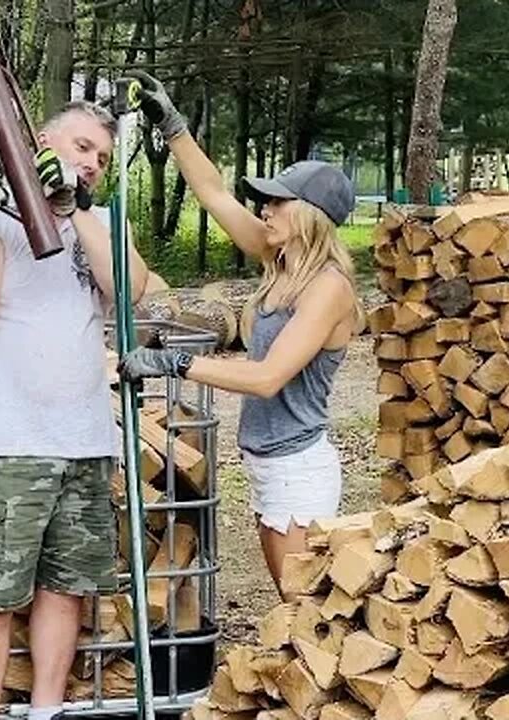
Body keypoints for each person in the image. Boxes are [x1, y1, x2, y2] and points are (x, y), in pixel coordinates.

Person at [116, 70, 364, 601]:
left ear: (311, 216)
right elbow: (211, 192)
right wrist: (172, 125)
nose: (265, 210)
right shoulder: (278, 260)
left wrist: (172, 365)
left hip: (298, 467)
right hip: (267, 461)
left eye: (277, 202)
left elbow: (268, 377)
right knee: (294, 606)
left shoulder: (327, 289)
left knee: (305, 612)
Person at [0, 99, 149, 720]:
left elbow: (130, 292)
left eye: (103, 157)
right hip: (7, 439)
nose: (91, 163)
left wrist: (78, 208)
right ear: (40, 142)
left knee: (65, 589)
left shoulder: (101, 220)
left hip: (85, 438)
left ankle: (46, 712)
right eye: (81, 147)